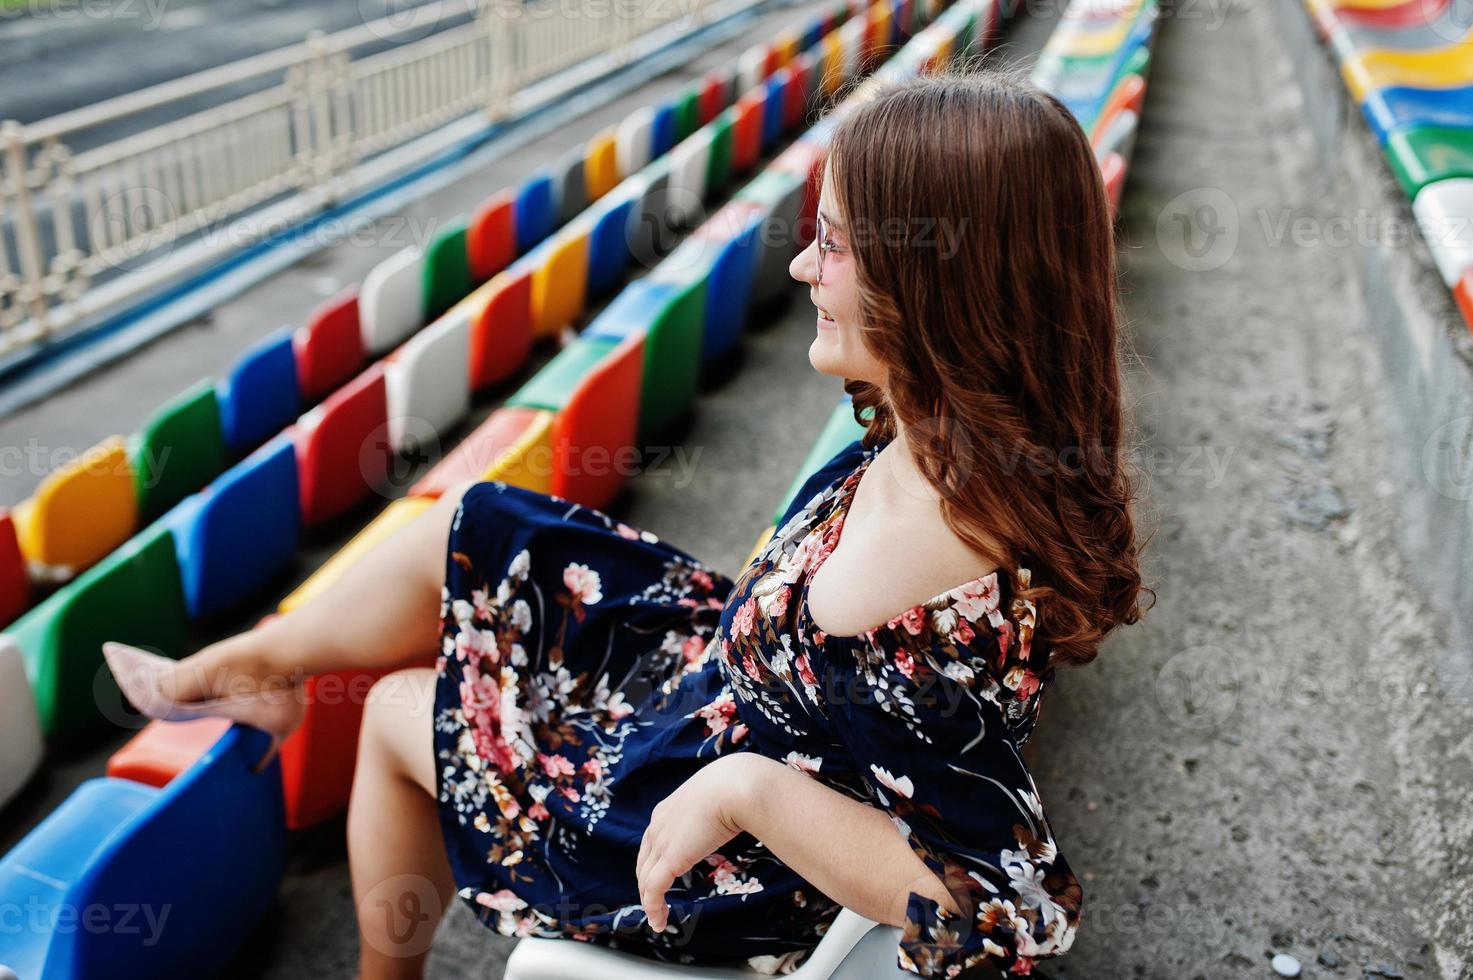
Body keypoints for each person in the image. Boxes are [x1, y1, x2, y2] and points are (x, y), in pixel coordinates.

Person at [106, 68, 1150, 979]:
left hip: (692, 839)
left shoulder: (934, 548)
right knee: (477, 524)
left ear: (934, 282)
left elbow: (1005, 909)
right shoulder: (965, 447)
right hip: (730, 686)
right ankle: (254, 664)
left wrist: (746, 790)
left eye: (829, 245)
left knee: (391, 710)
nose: (799, 270)